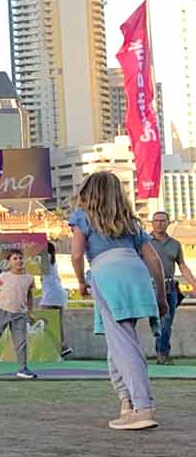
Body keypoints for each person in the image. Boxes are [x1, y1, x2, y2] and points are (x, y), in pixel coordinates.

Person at [69, 171, 169, 431]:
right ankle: (126, 402)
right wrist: (160, 296)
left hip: (106, 274)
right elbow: (154, 261)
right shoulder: (131, 223)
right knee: (119, 342)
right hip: (136, 272)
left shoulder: (82, 217)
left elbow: (77, 255)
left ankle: (143, 406)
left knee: (124, 344)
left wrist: (80, 282)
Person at [0, 248, 37, 379]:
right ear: (9, 262)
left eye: (20, 258)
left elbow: (29, 296)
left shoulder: (29, 278)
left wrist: (30, 313)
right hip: (2, 311)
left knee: (21, 342)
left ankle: (22, 369)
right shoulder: (4, 276)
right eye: (15, 258)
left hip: (20, 315)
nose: (18, 261)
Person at [146, 211, 195, 365]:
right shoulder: (145, 242)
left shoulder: (175, 244)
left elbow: (182, 266)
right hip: (151, 288)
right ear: (152, 223)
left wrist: (193, 283)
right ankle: (162, 353)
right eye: (156, 220)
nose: (160, 223)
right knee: (161, 321)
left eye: (163, 220)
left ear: (168, 223)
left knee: (167, 322)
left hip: (170, 288)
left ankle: (162, 352)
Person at [38, 240, 73, 359]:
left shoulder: (45, 259)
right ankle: (64, 347)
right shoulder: (53, 261)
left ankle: (54, 348)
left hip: (50, 296)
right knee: (58, 324)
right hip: (59, 295)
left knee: (44, 323)